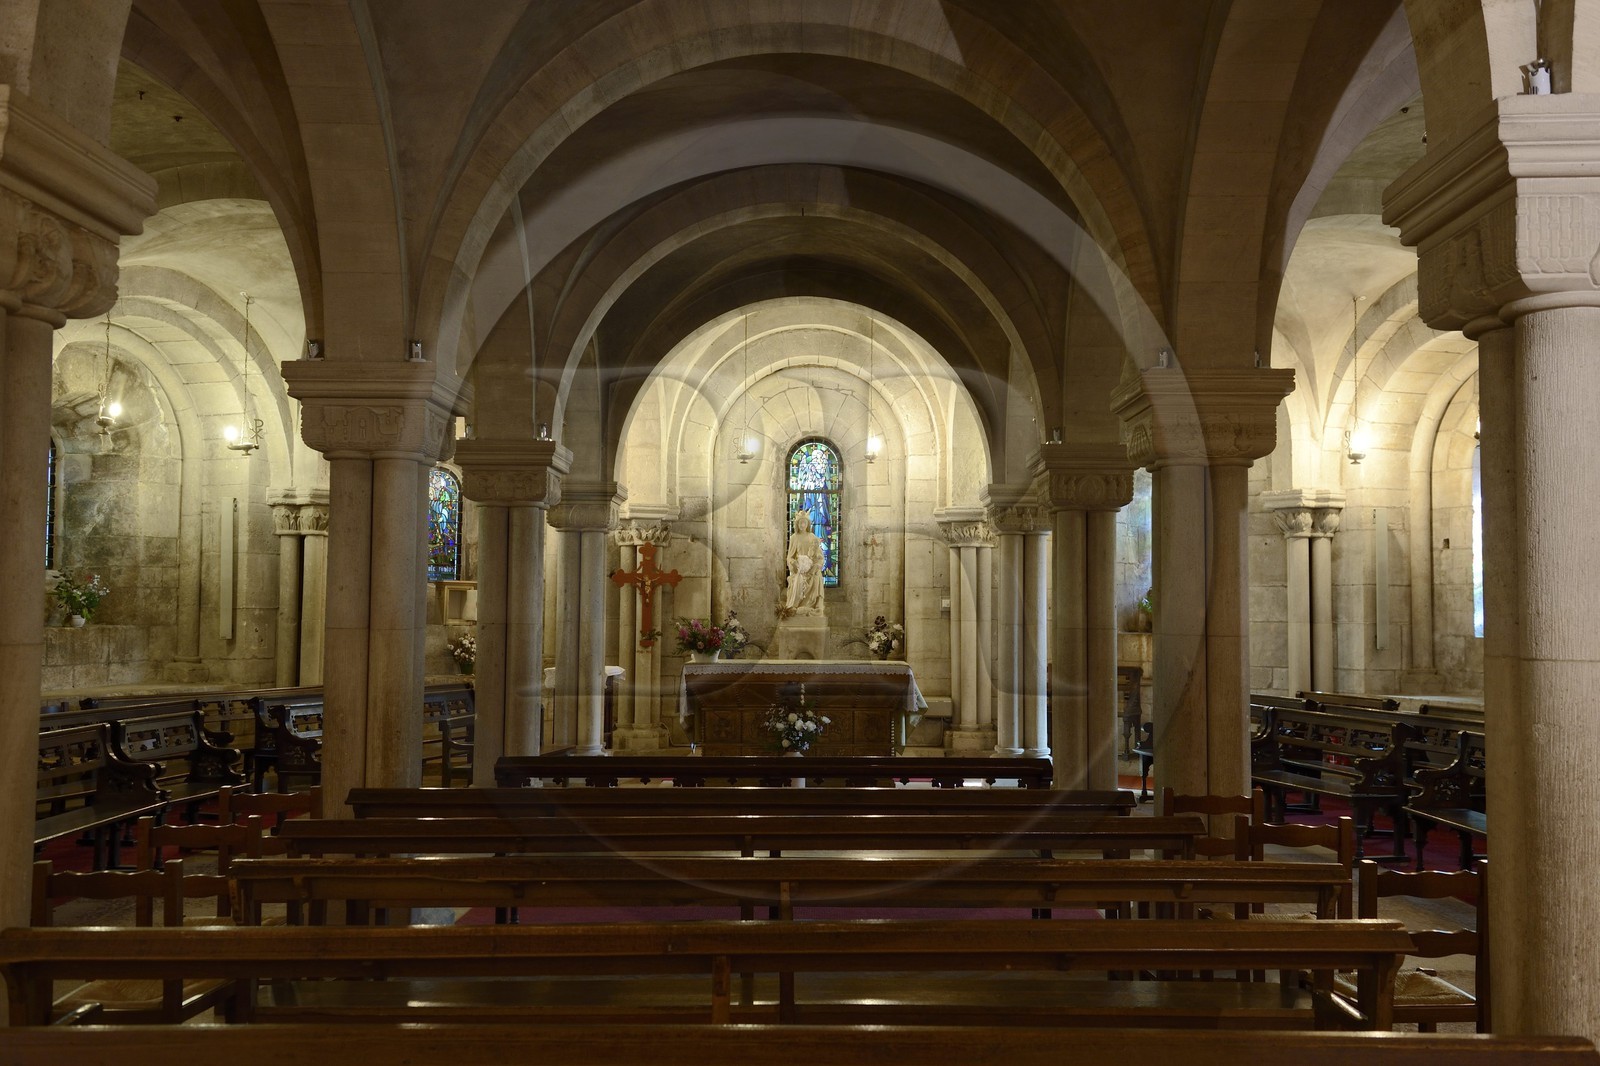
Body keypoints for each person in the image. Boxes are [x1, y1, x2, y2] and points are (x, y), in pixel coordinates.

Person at [784, 509, 826, 612]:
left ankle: (810, 607)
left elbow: (820, 556)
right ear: (797, 524)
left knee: (816, 578)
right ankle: (795, 607)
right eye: (800, 523)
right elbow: (790, 556)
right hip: (799, 569)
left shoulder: (812, 537)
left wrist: (816, 566)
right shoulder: (794, 537)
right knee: (797, 580)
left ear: (808, 524)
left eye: (804, 522)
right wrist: (793, 563)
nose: (802, 525)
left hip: (811, 568)